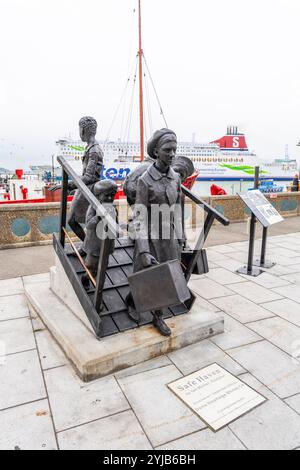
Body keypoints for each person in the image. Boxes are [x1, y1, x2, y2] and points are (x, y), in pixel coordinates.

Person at [128, 129, 184, 336]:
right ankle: (148, 310)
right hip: (150, 238)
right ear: (156, 152)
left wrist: (181, 236)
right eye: (167, 150)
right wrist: (143, 249)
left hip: (168, 237)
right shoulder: (145, 181)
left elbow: (177, 209)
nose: (172, 154)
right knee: (148, 275)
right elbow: (139, 216)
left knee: (165, 277)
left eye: (174, 150)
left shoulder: (175, 178)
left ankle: (158, 314)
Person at [51, 116, 103, 254]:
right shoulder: (91, 148)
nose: (79, 132)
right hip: (85, 188)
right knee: (76, 220)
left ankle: (88, 248)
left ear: (84, 130)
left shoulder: (94, 150)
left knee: (72, 220)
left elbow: (89, 177)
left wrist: (68, 185)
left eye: (80, 129)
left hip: (88, 190)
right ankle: (87, 247)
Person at [81, 180, 118, 291]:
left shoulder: (112, 207)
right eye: (107, 195)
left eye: (112, 195)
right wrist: (98, 217)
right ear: (98, 195)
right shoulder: (93, 207)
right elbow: (88, 225)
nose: (110, 198)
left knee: (102, 268)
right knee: (90, 266)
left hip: (107, 244)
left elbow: (115, 223)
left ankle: (99, 291)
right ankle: (86, 277)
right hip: (94, 244)